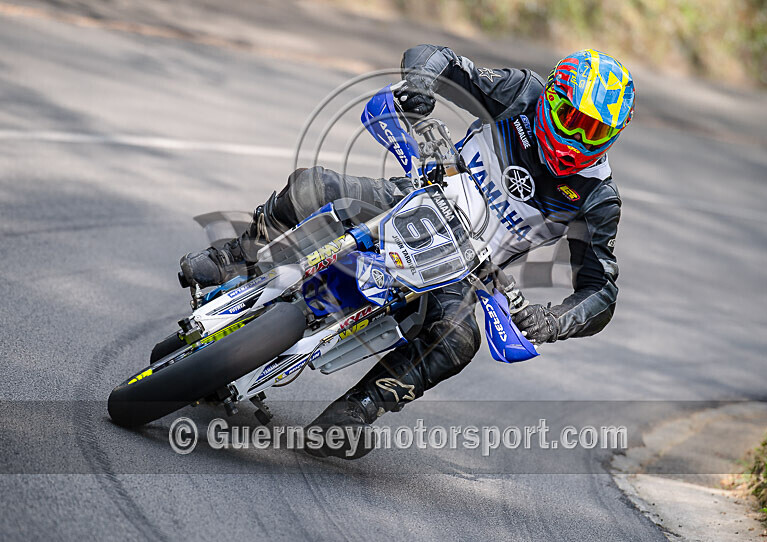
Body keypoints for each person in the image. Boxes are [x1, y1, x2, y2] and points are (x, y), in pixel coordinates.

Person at [179, 46, 635, 459]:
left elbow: (601, 291)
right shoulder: (521, 93)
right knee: (310, 185)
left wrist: (553, 322)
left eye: (595, 131)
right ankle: (231, 257)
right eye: (573, 119)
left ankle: (358, 410)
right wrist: (420, 85)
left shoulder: (597, 197)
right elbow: (438, 57)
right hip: (413, 195)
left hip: (467, 268)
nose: (578, 138)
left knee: (458, 341)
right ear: (552, 99)